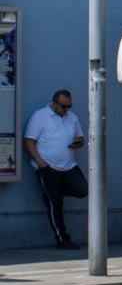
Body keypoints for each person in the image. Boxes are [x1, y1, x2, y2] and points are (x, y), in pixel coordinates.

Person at [23, 90, 87, 249]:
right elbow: (29, 141)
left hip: (68, 166)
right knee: (56, 202)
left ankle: (52, 194)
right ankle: (62, 238)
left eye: (69, 106)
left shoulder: (72, 117)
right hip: (48, 166)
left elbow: (81, 138)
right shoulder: (40, 116)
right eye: (63, 106)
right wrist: (41, 163)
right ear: (54, 102)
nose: (66, 109)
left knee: (82, 189)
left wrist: (79, 143)